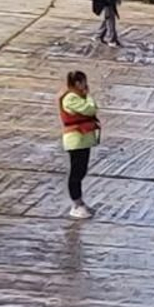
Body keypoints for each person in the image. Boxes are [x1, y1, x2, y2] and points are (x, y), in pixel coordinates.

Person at [59, 70, 100, 220]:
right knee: (76, 172)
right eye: (83, 82)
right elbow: (90, 109)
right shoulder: (71, 98)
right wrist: (89, 96)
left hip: (83, 139)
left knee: (82, 170)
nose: (85, 85)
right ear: (77, 83)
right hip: (75, 139)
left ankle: (80, 202)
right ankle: (76, 204)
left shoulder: (77, 96)